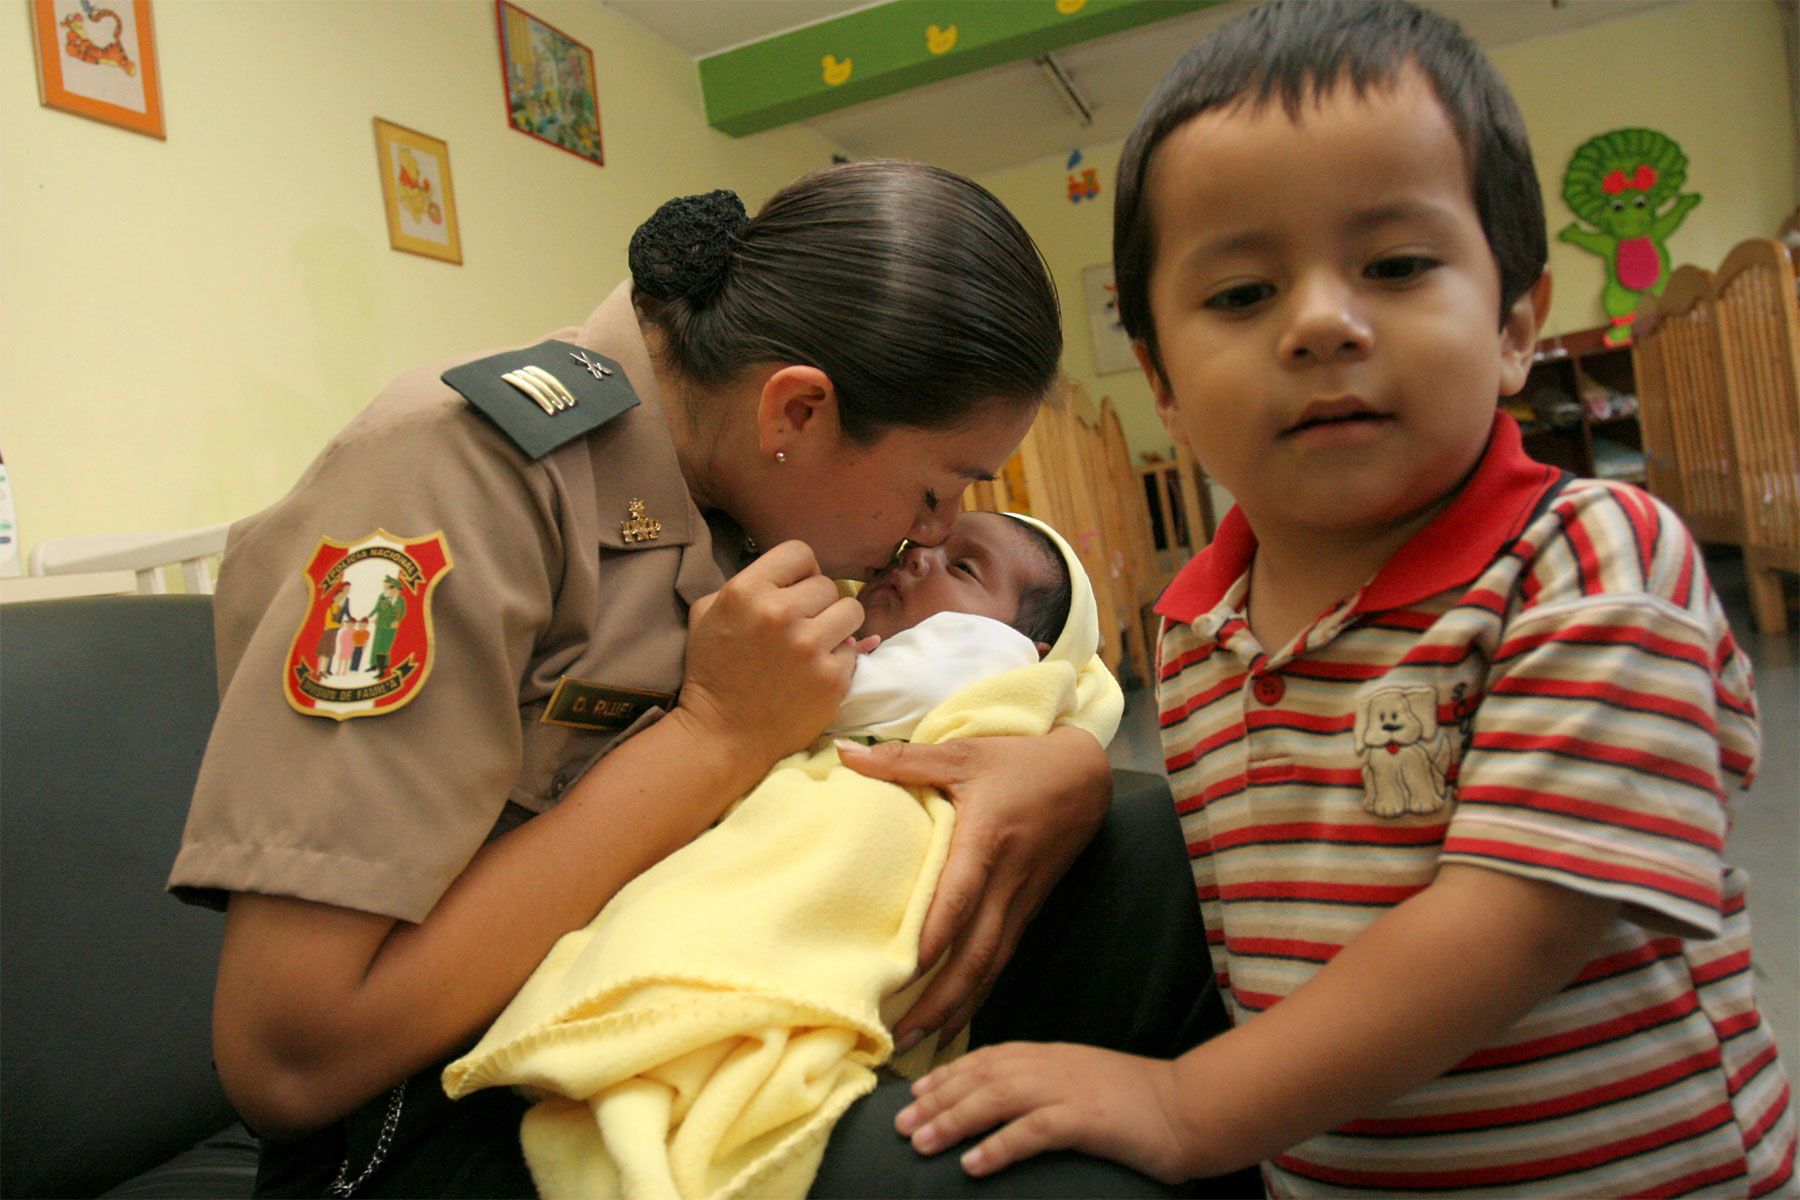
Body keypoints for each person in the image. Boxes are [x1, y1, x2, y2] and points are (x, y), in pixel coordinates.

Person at [168, 161, 1218, 1197]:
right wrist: (714, 736)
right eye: (937, 489)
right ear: (797, 414)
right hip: (449, 1100)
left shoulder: (738, 485)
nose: (935, 534)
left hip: (691, 1004)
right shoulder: (454, 479)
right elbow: (288, 1057)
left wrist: (1069, 772)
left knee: (1151, 860)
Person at [891, 4, 1798, 1196]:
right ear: (1162, 382)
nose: (1321, 322)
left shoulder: (1591, 562)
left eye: (1397, 266)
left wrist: (1185, 1100)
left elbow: (1517, 920)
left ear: (1517, 323)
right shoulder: (1197, 630)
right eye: (1241, 294)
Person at [442, 512, 1116, 1199]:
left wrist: (755, 677)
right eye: (920, 546)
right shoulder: (903, 633)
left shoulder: (983, 652)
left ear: (1030, 644)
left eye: (963, 567)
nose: (918, 559)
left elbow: (824, 699)